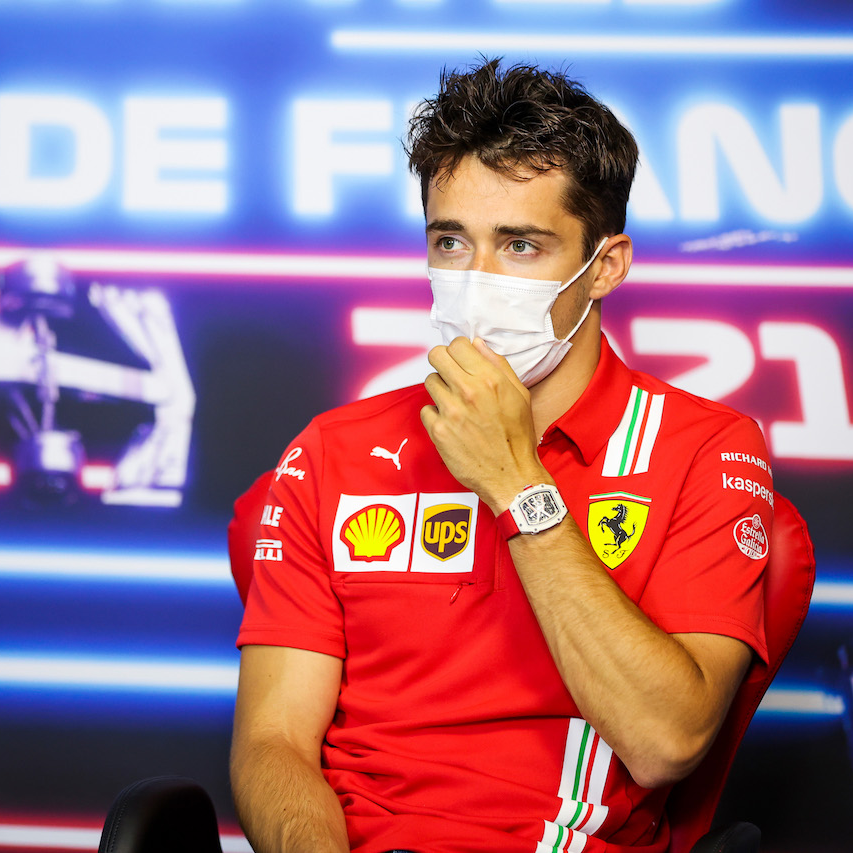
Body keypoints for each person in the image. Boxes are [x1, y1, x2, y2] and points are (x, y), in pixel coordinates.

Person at [231, 59, 775, 853]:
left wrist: (519, 483)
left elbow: (667, 741)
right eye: (451, 241)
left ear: (607, 266)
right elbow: (273, 741)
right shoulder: (332, 450)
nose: (475, 281)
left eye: (521, 245)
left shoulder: (705, 449)